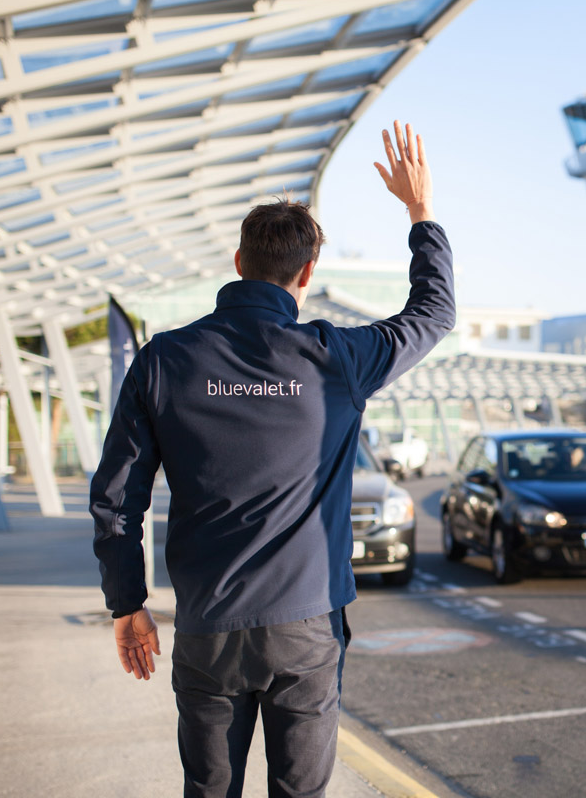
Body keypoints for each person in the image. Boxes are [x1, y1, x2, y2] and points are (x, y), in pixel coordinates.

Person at [90, 120, 453, 798]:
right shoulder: (336, 358)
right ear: (308, 273)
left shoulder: (164, 360)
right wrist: (419, 212)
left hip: (208, 624)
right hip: (306, 627)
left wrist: (127, 604)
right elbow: (432, 312)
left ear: (237, 263)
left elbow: (116, 497)